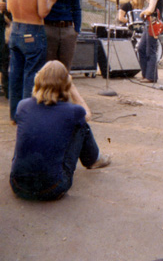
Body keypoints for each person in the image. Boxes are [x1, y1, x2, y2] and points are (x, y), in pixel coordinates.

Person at [9, 60, 111, 201]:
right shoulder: (73, 111)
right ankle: (94, 159)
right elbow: (87, 114)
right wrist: (73, 89)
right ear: (66, 84)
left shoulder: (22, 106)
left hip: (17, 185)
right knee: (82, 126)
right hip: (52, 188)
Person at [7, 0, 58, 121]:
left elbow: (8, 7)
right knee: (31, 75)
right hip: (33, 31)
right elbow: (42, 12)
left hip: (15, 29)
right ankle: (27, 116)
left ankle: (15, 114)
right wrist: (50, 1)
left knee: (15, 74)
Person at [138, 0, 163, 83]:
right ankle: (145, 74)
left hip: (154, 24)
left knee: (150, 50)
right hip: (150, 23)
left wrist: (142, 13)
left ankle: (151, 77)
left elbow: (151, 9)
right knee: (141, 48)